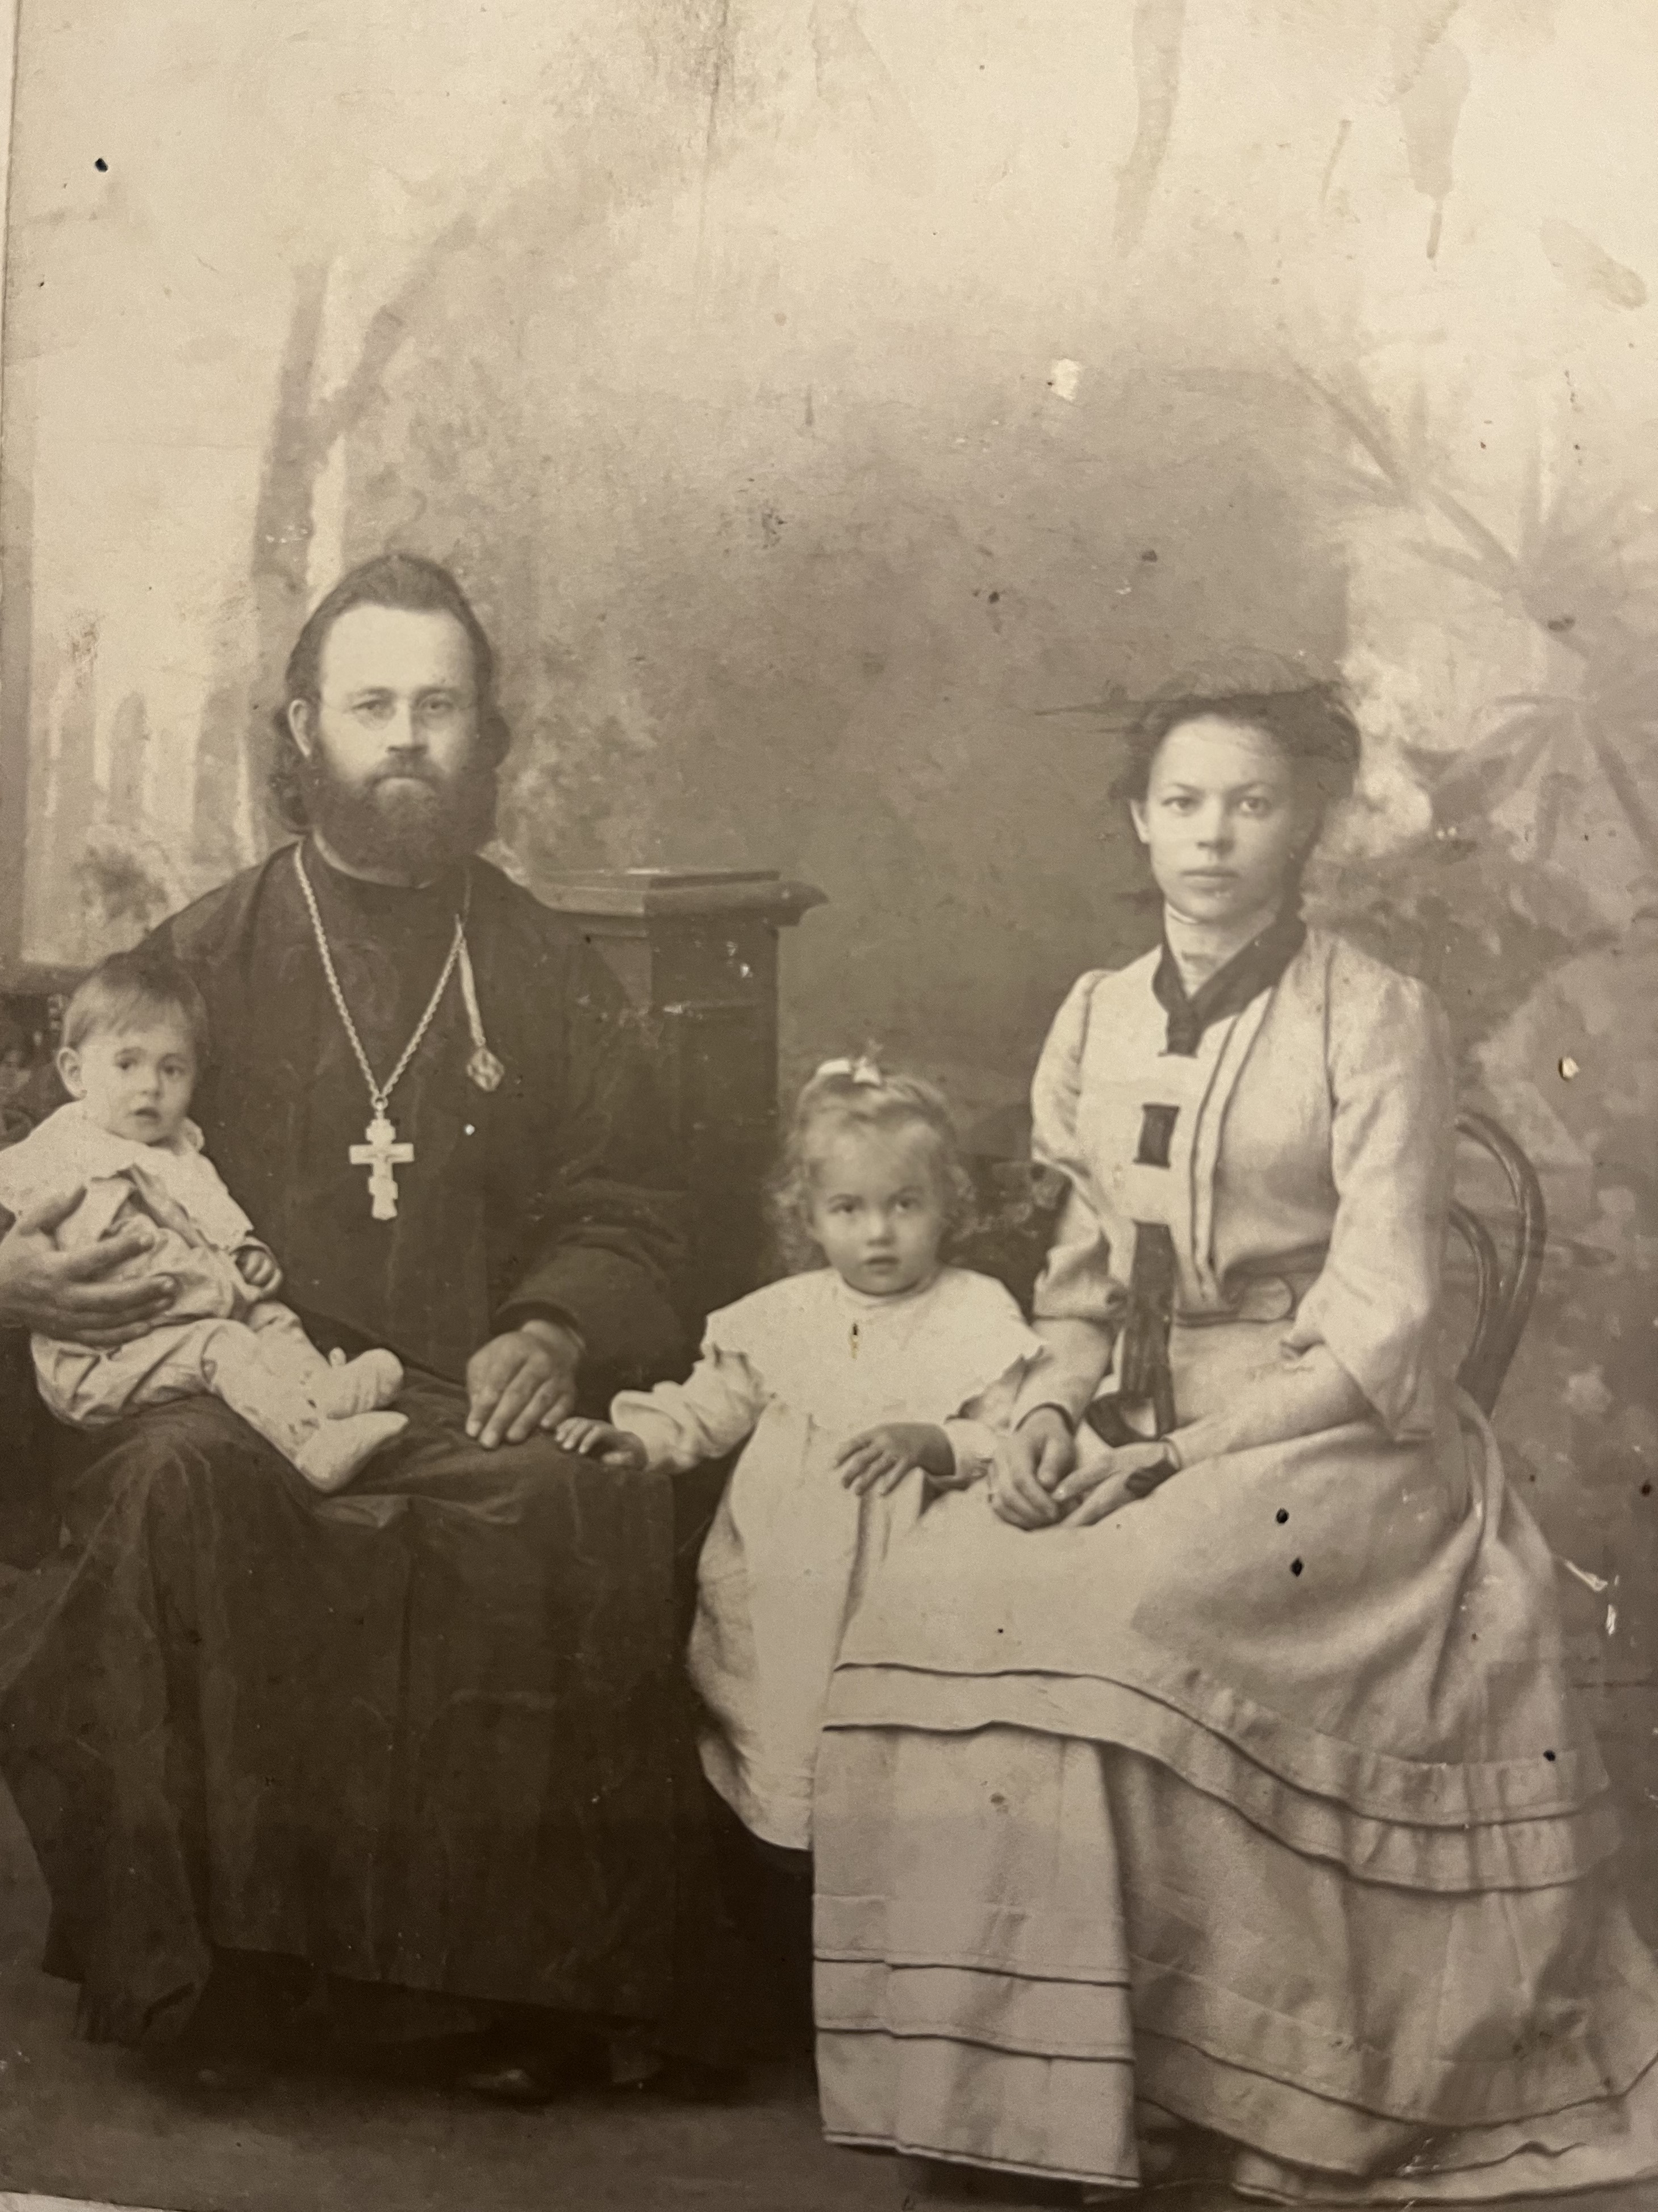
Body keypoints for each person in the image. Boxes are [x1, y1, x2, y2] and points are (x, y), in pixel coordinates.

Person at [811, 682, 1658, 2202]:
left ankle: (1207, 2070)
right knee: (934, 1585)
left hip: (1330, 1432)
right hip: (1125, 1411)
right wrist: (1051, 1410)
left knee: (1122, 1611)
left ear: (1304, 825)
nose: (1213, 835)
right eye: (1184, 802)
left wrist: (1171, 1458)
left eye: (1251, 803)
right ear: (1141, 822)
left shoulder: (1373, 1016)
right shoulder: (1097, 1014)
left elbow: (1384, 1325)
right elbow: (1079, 1286)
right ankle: (1018, 2108)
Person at [0, 553, 745, 2099]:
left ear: (482, 732)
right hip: (240, 1382)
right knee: (176, 1487)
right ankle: (228, 1976)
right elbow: (47, 1166)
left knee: (572, 1501)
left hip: (464, 1389)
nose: (406, 735)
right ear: (304, 727)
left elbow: (630, 1200)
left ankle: (508, 1997)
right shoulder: (198, 959)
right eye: (372, 704)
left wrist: (552, 1325)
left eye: (438, 705)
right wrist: (20, 1275)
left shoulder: (543, 966)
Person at [560, 1057, 1046, 2036]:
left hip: (906, 1597)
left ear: (946, 1205)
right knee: (779, 1763)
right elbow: (708, 1408)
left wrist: (933, 1440)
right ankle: (792, 1989)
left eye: (904, 1204)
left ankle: (896, 1993)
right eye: (848, 1208)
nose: (878, 1232)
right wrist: (639, 1439)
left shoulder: (974, 1313)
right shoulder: (783, 1317)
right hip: (783, 1598)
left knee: (901, 1787)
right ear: (808, 1216)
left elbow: (1011, 1434)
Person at [0, 948, 408, 1492]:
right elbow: (134, 1277)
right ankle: (311, 1445)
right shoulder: (67, 1158)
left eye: (172, 1069)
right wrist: (230, 1285)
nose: (151, 1086)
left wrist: (247, 1254)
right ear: (75, 1073)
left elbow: (215, 1220)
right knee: (223, 1344)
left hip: (179, 1322)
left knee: (272, 1318)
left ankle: (322, 1390)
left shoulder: (177, 1152)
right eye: (127, 1064)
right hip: (101, 1362)